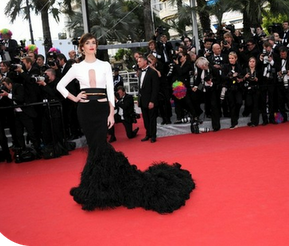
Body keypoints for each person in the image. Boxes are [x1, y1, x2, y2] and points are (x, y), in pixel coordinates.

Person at [56, 33, 195, 212]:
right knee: (95, 147)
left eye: (94, 43)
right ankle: (96, 188)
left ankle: (97, 188)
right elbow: (60, 85)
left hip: (101, 109)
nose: (92, 46)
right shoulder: (76, 67)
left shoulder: (104, 65)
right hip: (85, 111)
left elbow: (109, 89)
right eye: (88, 43)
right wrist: (74, 97)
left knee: (99, 147)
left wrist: (112, 112)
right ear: (82, 47)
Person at [137, 55, 160, 143]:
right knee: (145, 119)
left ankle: (153, 136)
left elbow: (155, 88)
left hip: (150, 100)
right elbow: (140, 88)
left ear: (145, 62)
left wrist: (152, 101)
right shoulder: (140, 73)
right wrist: (139, 100)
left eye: (139, 61)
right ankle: (148, 134)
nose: (138, 63)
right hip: (143, 100)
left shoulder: (152, 72)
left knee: (152, 119)